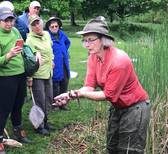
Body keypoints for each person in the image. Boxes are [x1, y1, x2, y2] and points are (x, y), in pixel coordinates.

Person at [53, 17, 151, 154]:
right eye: (84, 40)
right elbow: (89, 86)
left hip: (135, 107)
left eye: (90, 39)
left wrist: (81, 94)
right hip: (118, 107)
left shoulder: (119, 61)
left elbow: (108, 95)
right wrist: (71, 95)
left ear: (103, 39)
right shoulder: (93, 57)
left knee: (129, 150)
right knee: (112, 147)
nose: (86, 44)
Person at [0, 7, 31, 154]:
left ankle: (17, 131)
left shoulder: (15, 31)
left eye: (11, 20)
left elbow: (23, 46)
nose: (9, 23)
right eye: (6, 20)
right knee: (5, 109)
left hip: (20, 74)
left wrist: (31, 55)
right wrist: (9, 55)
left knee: (18, 105)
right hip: (5, 77)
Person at [26, 14, 55, 136]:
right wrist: (30, 78)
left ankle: (46, 121)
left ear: (42, 23)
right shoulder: (30, 40)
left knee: (48, 99)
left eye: (38, 23)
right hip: (37, 75)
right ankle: (39, 125)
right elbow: (29, 61)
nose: (37, 26)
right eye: (34, 24)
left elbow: (50, 51)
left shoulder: (47, 35)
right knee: (39, 100)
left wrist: (52, 60)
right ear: (31, 27)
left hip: (48, 73)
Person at [45, 17, 71, 110]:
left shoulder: (62, 34)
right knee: (55, 85)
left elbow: (68, 42)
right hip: (54, 64)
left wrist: (64, 51)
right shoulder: (47, 36)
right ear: (49, 27)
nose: (55, 28)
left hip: (64, 63)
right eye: (52, 26)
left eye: (56, 26)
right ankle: (55, 103)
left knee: (64, 83)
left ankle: (63, 104)